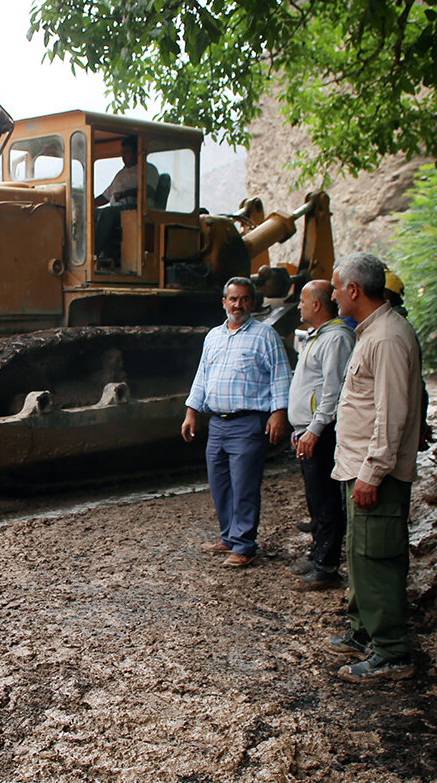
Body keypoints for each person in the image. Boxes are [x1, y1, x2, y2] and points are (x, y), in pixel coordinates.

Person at [325, 253, 425, 682]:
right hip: (359, 469)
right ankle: (365, 632)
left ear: (353, 291)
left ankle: (392, 653)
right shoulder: (373, 332)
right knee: (360, 556)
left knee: (377, 558)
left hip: (373, 475)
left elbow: (392, 415)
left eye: (334, 288)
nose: (331, 295)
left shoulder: (385, 338)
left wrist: (371, 472)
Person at [182, 277, 292, 567]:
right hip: (218, 423)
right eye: (233, 299)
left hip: (248, 422)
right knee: (220, 484)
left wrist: (279, 412)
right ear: (224, 302)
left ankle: (243, 546)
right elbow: (202, 375)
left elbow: (281, 376)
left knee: (244, 485)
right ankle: (228, 537)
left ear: (252, 303)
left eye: (244, 299)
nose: (238, 304)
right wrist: (192, 411)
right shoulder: (213, 336)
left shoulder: (265, 335)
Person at [286, 279, 355, 590]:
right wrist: (300, 428)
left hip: (322, 432)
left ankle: (327, 567)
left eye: (302, 300)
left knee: (326, 498)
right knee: (315, 497)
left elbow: (332, 392)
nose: (298, 306)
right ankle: (318, 555)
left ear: (316, 304)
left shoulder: (337, 339)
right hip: (309, 430)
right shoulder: (319, 336)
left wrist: (313, 430)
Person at [94, 136, 157, 260]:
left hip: (136, 209)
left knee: (107, 213)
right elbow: (106, 196)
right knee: (93, 214)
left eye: (127, 152)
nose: (123, 156)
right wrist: (87, 203)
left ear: (136, 152)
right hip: (117, 210)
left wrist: (125, 194)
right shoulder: (121, 174)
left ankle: (93, 252)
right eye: (122, 153)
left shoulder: (147, 169)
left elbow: (148, 191)